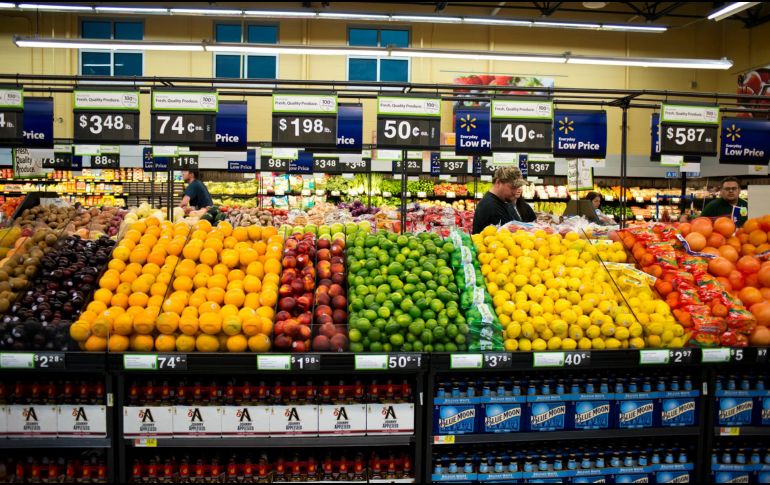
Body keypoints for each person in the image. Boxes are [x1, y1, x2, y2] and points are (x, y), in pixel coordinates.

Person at [472, 166, 522, 234]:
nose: (516, 191)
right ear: (498, 182)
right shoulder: (490, 207)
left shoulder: (505, 200)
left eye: (518, 187)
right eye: (513, 187)